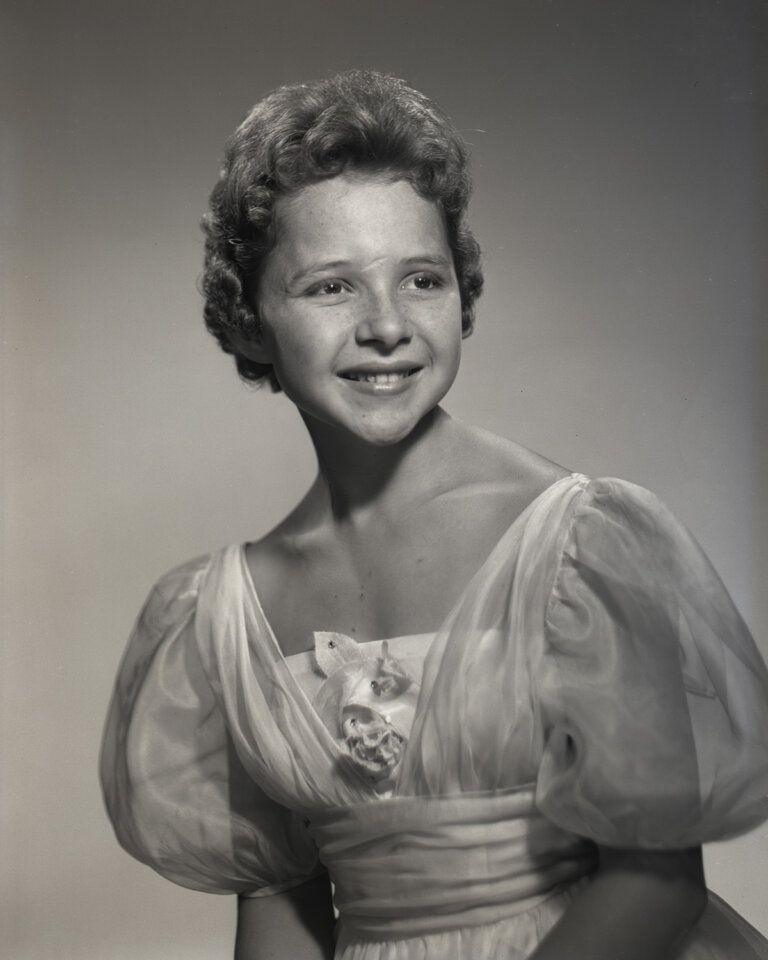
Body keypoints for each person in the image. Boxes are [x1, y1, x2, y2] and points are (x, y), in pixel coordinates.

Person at [100, 70, 768, 960]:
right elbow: (280, 908)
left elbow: (656, 883)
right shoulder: (227, 615)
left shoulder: (580, 544)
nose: (388, 326)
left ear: (462, 293)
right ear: (250, 319)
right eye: (331, 288)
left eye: (420, 279)